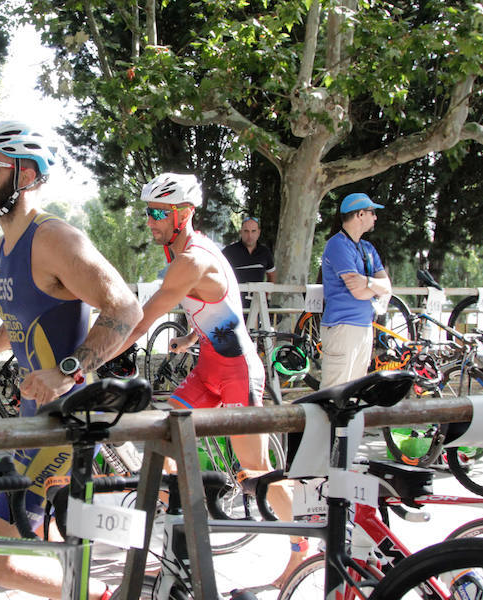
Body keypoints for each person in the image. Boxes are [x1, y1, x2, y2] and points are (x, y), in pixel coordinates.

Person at [0, 120, 142, 600]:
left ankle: (98, 598)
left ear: (25, 174)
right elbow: (22, 323)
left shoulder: (53, 239)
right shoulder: (7, 245)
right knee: (27, 546)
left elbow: (126, 308)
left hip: (64, 419)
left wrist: (69, 371)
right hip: (37, 417)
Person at [112, 173, 304, 589]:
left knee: (255, 472)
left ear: (185, 214)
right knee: (162, 440)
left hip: (237, 373)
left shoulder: (193, 258)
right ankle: (185, 528)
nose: (151, 221)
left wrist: (100, 353)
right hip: (208, 369)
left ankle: (304, 548)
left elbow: (147, 315)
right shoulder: (182, 253)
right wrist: (190, 335)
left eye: (159, 213)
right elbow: (222, 308)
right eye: (148, 212)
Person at [320, 192, 392, 389]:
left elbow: (387, 287)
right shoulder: (337, 244)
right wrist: (373, 286)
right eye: (372, 212)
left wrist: (366, 282)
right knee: (333, 395)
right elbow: (358, 292)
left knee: (354, 394)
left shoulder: (367, 247)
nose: (375, 217)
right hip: (342, 328)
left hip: (363, 328)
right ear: (360, 214)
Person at [222, 216, 276, 309]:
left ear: (258, 232)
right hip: (233, 307)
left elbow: (272, 276)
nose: (250, 235)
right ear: (241, 232)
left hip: (257, 307)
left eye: (253, 231)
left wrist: (264, 295)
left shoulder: (265, 252)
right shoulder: (229, 251)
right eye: (246, 231)